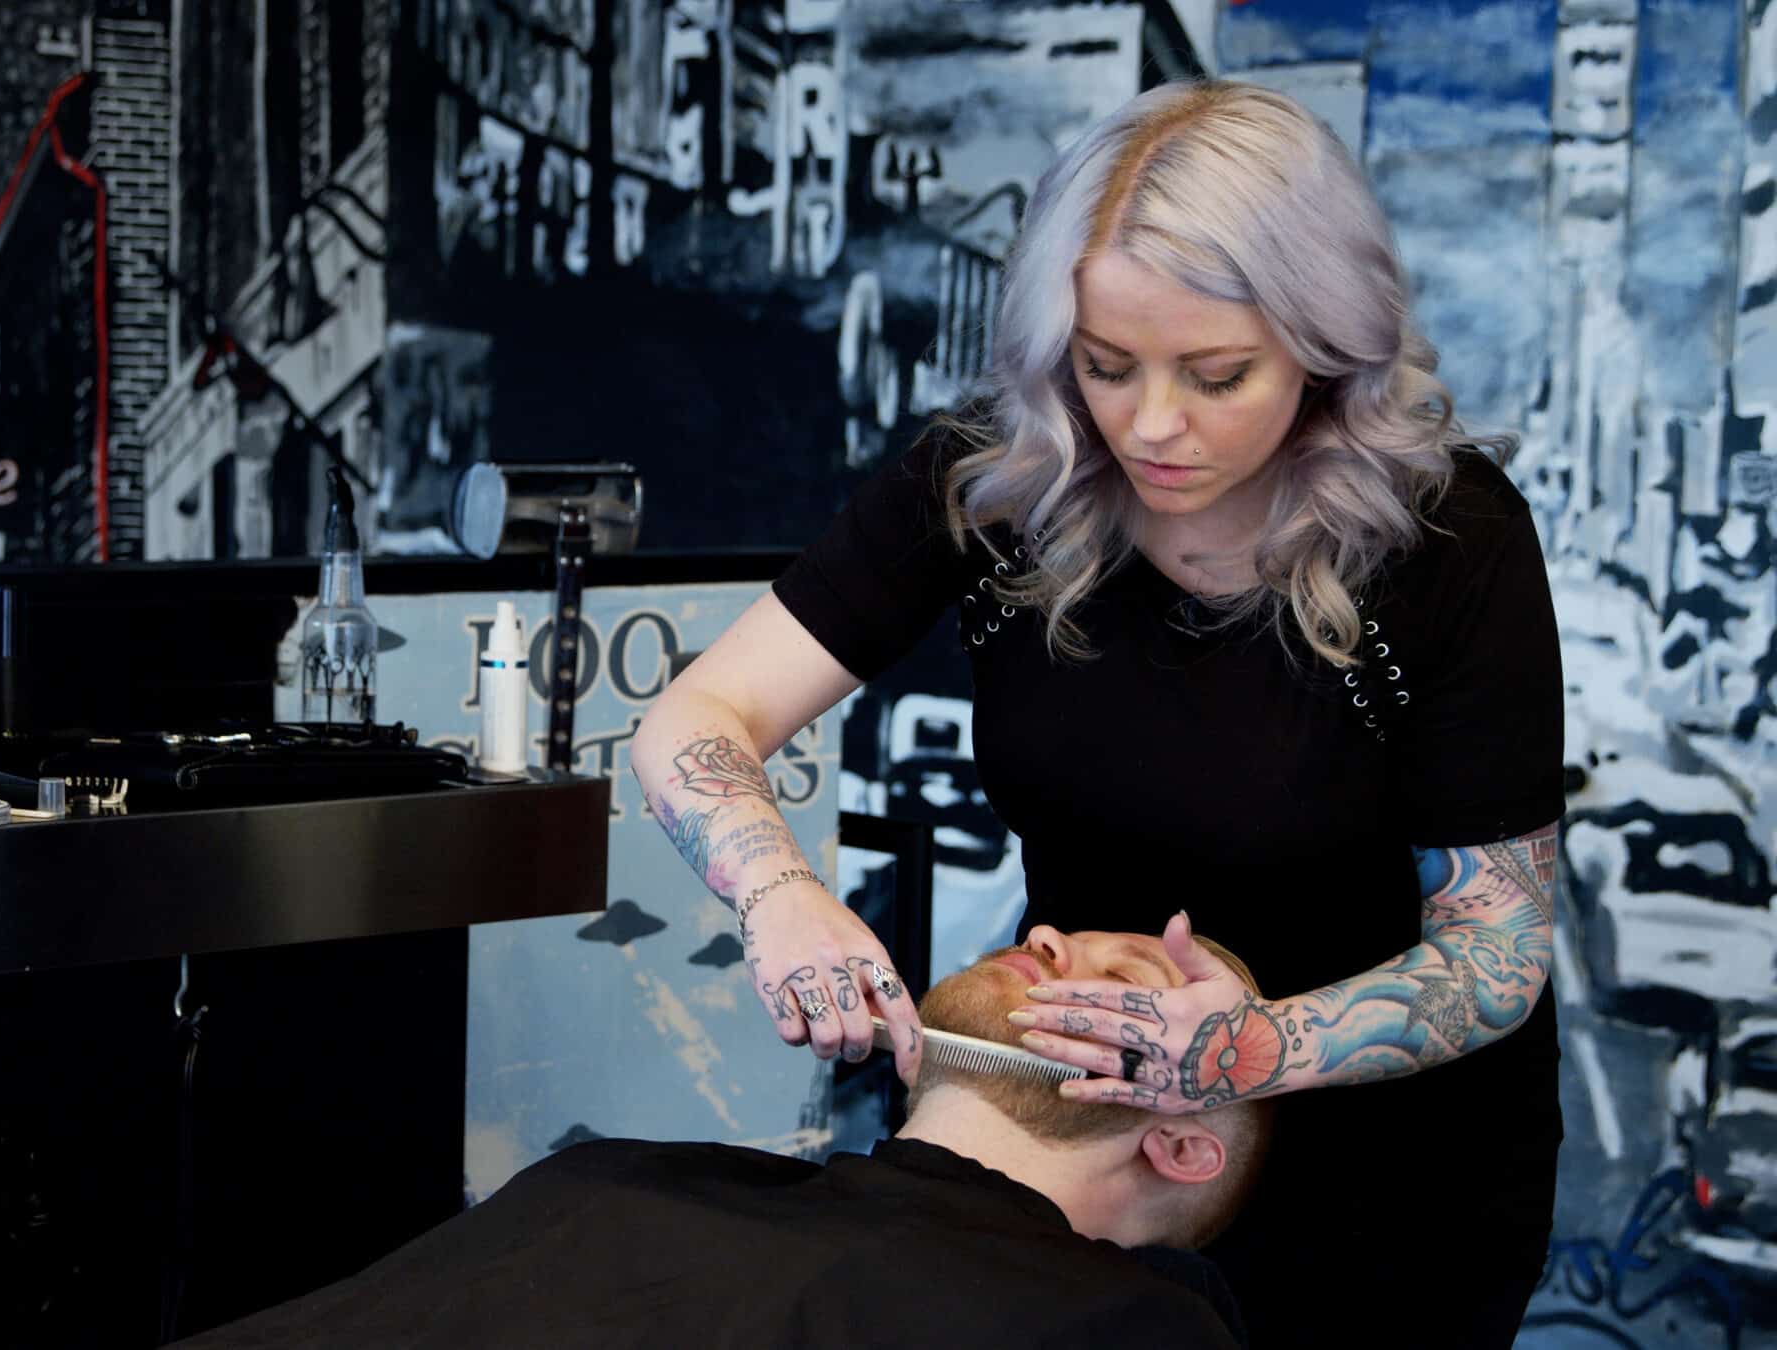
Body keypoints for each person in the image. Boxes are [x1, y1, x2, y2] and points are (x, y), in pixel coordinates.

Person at [630, 80, 1562, 1349]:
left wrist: (1246, 1049)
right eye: (1107, 365)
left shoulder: (1446, 538)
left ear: (1326, 349)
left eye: (1218, 374)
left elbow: (1495, 955)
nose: (1153, 426)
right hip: (1066, 1144)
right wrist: (775, 893)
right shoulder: (997, 478)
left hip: (1384, 1170)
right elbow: (701, 714)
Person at [177, 926, 1273, 1348]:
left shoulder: (1125, 1328)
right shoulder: (626, 1175)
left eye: (1126, 980)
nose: (1047, 935)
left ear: (1179, 1145)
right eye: (1061, 931)